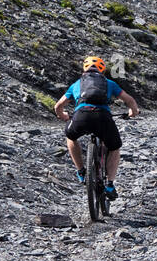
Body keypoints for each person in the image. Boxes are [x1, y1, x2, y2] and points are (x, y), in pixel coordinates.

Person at [54, 56, 139, 199]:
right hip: (102, 117)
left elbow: (58, 106)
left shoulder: (77, 84)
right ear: (102, 70)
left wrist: (63, 115)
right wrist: (133, 112)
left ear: (84, 69)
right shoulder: (109, 83)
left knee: (71, 137)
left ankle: (81, 171)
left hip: (81, 116)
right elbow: (129, 100)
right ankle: (110, 185)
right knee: (114, 147)